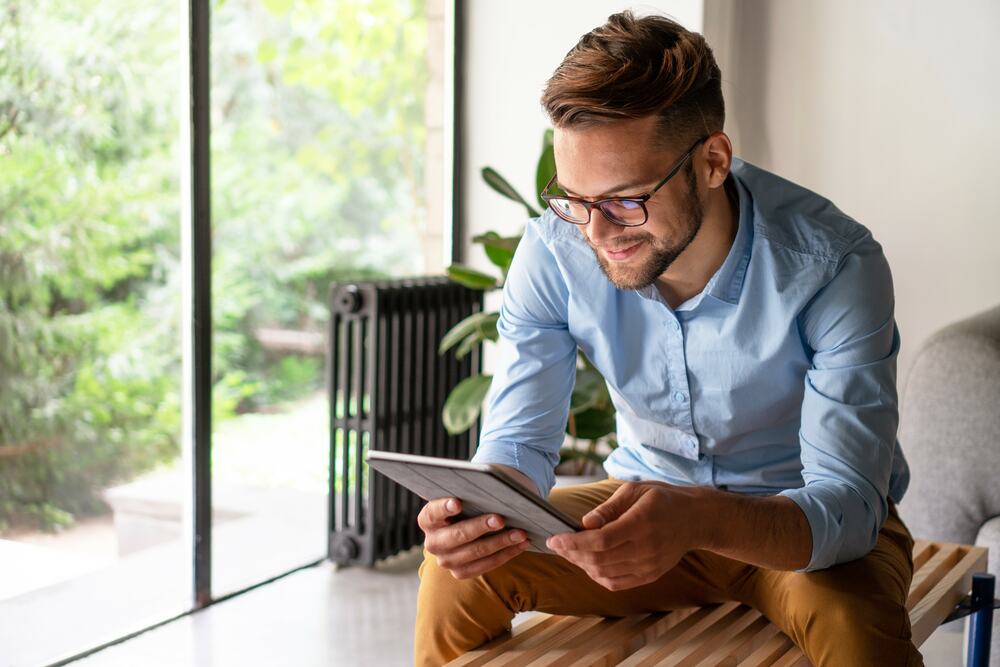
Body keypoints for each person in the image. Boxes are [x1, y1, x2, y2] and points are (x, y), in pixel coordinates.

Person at [415, 11, 920, 666]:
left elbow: (847, 507)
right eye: (576, 198)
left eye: (627, 199)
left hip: (799, 528)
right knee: (455, 577)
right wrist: (479, 514)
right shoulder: (555, 248)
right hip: (638, 512)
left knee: (860, 638)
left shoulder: (833, 266)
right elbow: (517, 444)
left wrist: (700, 517)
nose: (595, 231)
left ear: (712, 160)